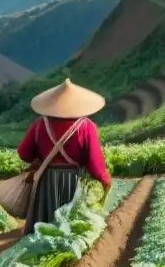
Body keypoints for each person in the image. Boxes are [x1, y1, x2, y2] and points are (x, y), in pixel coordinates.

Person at [16, 78, 112, 235]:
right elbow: (94, 163)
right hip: (73, 181)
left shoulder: (40, 124)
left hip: (46, 180)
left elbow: (24, 153)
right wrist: (104, 178)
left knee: (43, 226)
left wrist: (40, 158)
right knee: (69, 227)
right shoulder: (86, 126)